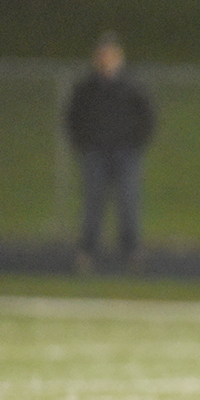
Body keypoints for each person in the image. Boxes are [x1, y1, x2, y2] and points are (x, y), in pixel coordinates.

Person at [64, 32, 156, 274]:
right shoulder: (86, 88)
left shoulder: (132, 85)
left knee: (128, 203)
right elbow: (72, 117)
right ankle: (88, 250)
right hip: (95, 153)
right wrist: (83, 143)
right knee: (93, 204)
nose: (106, 59)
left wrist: (136, 143)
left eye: (111, 54)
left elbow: (147, 117)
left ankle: (131, 250)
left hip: (125, 153)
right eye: (102, 54)